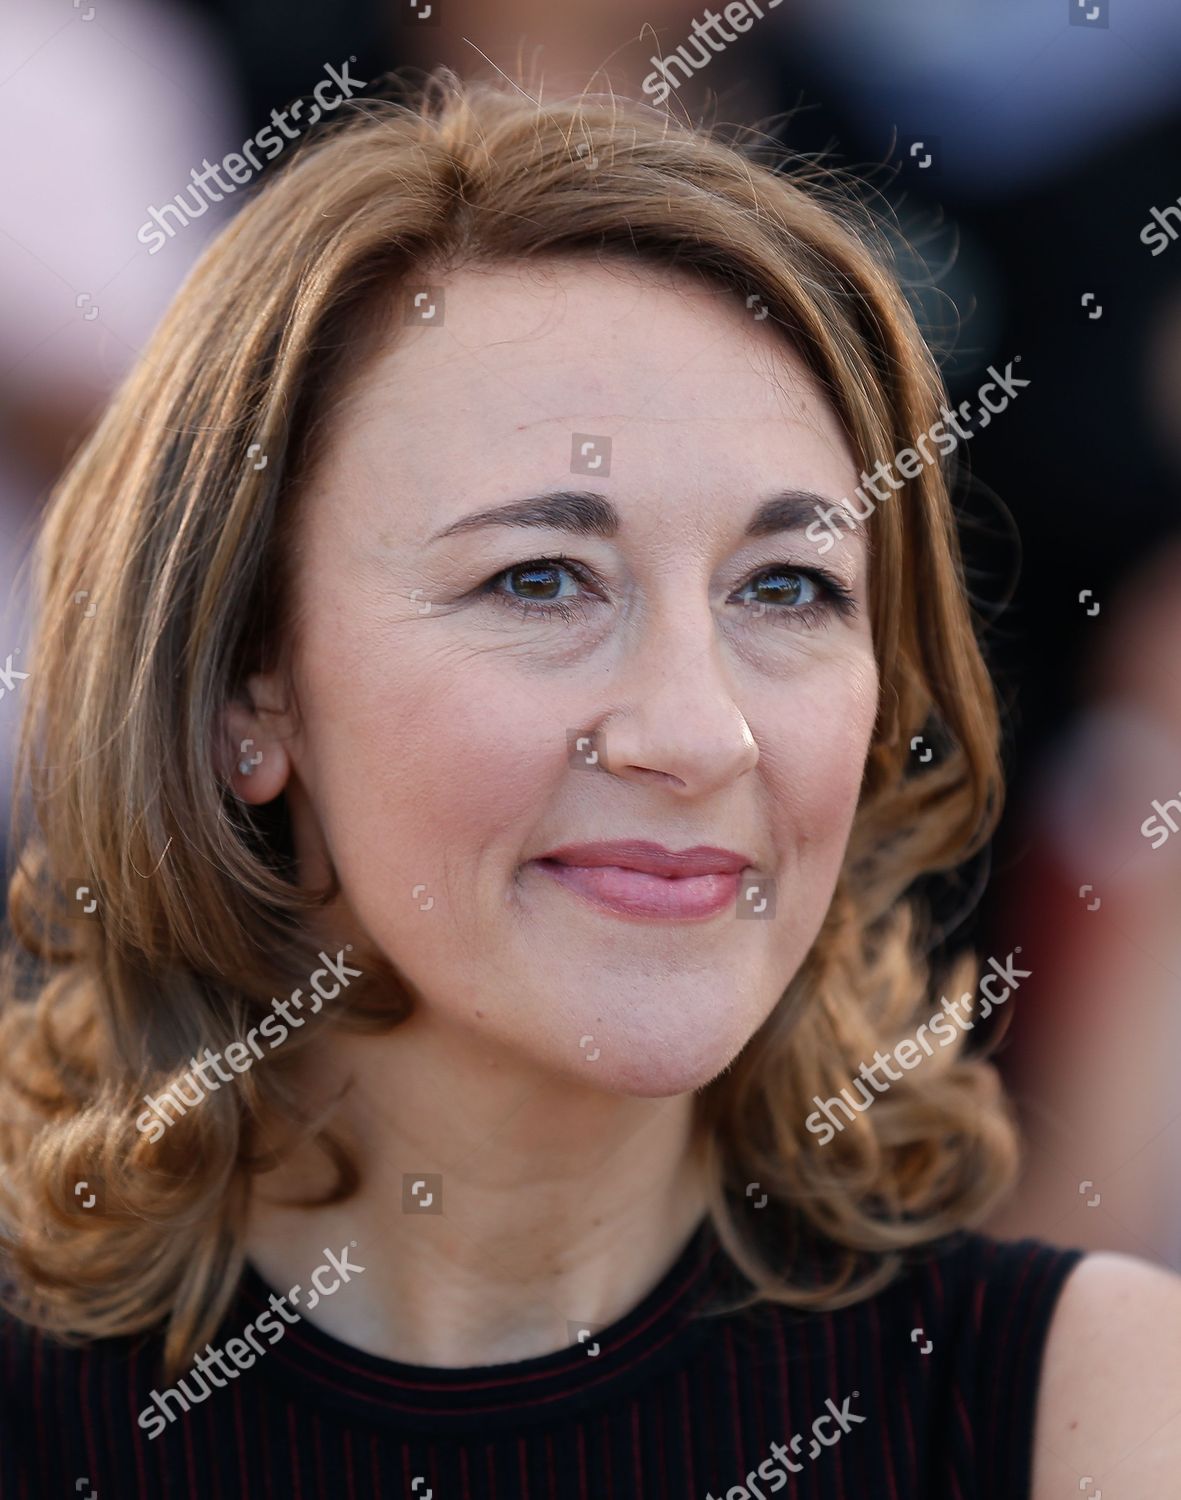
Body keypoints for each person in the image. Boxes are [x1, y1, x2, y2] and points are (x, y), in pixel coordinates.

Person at [0, 70, 1177, 1500]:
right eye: (541, 579)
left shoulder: (1080, 1407)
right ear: (248, 685)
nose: (697, 731)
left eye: (787, 587)